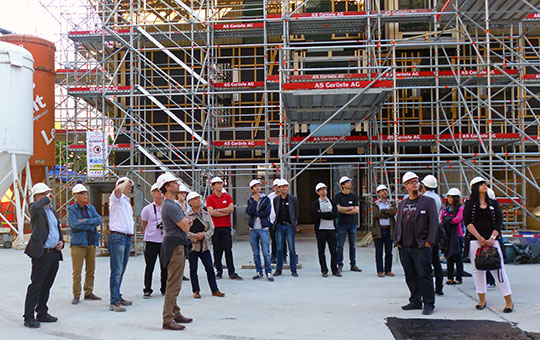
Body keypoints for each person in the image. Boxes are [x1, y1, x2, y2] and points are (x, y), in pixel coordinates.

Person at [463, 177, 513, 313]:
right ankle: (482, 299)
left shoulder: (493, 204)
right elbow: (468, 222)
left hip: (493, 240)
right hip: (475, 241)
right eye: (481, 184)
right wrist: (479, 237)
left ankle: (509, 301)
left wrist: (492, 237)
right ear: (475, 187)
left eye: (485, 184)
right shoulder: (469, 204)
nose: (485, 186)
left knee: (498, 270)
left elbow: (499, 222)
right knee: (478, 271)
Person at [395, 171, 438, 315]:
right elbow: (398, 223)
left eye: (416, 181)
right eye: (412, 182)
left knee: (424, 275)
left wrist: (429, 242)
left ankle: (429, 303)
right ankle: (415, 300)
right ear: (406, 186)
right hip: (405, 245)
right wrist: (398, 240)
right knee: (410, 275)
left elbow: (433, 223)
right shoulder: (402, 204)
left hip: (420, 246)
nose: (415, 184)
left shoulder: (428, 202)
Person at [23, 183, 64, 328]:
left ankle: (42, 312)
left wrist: (61, 242)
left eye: (49, 193)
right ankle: (28, 316)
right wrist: (45, 199)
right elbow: (35, 207)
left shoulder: (52, 211)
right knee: (36, 284)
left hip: (53, 253)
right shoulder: (35, 209)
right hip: (41, 254)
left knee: (47, 285)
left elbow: (56, 229)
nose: (49, 196)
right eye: (45, 193)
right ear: (38, 196)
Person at [157, 173, 193, 330]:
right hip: (175, 247)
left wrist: (186, 221)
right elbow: (186, 225)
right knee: (174, 284)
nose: (177, 184)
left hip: (175, 244)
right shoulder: (170, 206)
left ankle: (175, 313)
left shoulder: (173, 205)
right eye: (174, 183)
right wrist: (187, 221)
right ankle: (167, 319)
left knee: (174, 281)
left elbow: (186, 222)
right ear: (167, 187)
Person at [67, 184, 102, 305]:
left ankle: (88, 292)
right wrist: (91, 224)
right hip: (78, 244)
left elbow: (99, 220)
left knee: (91, 270)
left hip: (91, 242)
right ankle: (76, 294)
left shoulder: (90, 208)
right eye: (82, 193)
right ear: (76, 196)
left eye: (85, 193)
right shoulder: (71, 209)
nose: (85, 195)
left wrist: (85, 221)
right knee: (77, 272)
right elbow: (75, 225)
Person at [186, 191, 226, 297]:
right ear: (190, 202)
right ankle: (196, 290)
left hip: (205, 246)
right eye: (195, 199)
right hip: (193, 246)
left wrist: (204, 235)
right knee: (193, 269)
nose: (198, 201)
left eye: (198, 198)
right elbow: (185, 231)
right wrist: (195, 236)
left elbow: (212, 229)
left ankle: (214, 289)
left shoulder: (206, 214)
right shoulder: (187, 216)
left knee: (209, 268)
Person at [206, 177, 242, 280]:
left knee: (228, 250)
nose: (219, 185)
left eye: (220, 183)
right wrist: (224, 211)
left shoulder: (228, 196)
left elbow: (231, 209)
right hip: (216, 228)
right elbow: (211, 212)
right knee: (217, 250)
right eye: (217, 184)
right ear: (213, 186)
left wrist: (218, 210)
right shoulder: (210, 198)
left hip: (226, 227)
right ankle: (219, 270)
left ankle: (232, 272)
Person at [108, 176, 135, 312]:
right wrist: (125, 181)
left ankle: (117, 295)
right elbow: (118, 190)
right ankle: (114, 300)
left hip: (126, 238)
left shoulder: (125, 201)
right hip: (118, 237)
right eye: (128, 186)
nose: (129, 188)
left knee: (121, 270)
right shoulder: (116, 198)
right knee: (117, 271)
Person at [141, 183, 167, 298]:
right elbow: (143, 224)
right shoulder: (147, 209)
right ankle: (147, 289)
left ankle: (164, 288)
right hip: (151, 241)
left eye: (161, 191)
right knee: (149, 266)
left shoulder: (167, 207)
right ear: (153, 194)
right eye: (157, 191)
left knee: (165, 266)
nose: (159, 193)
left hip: (164, 241)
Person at [246, 179, 274, 281]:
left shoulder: (266, 199)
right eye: (255, 186)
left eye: (258, 186)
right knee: (255, 252)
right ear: (252, 189)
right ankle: (259, 271)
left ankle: (269, 272)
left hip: (263, 228)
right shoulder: (250, 200)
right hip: (253, 229)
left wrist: (256, 213)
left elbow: (266, 212)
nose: (258, 188)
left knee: (266, 251)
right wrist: (255, 202)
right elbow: (249, 211)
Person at [421, 175, 444, 296]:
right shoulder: (438, 198)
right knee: (436, 260)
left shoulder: (424, 198)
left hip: (426, 230)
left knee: (425, 261)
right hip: (437, 230)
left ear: (424, 186)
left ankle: (427, 288)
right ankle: (439, 287)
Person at [312, 183, 341, 278]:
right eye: (321, 189)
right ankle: (324, 270)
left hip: (331, 229)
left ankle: (335, 270)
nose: (323, 191)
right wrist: (329, 214)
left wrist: (324, 214)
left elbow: (335, 214)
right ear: (317, 192)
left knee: (334, 250)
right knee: (321, 251)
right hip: (321, 230)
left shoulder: (331, 202)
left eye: (324, 189)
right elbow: (316, 215)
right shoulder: (316, 203)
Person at [334, 176, 362, 273]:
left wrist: (344, 209)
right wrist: (350, 208)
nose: (350, 183)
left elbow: (357, 210)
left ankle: (353, 264)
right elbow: (338, 209)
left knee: (352, 245)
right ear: (343, 185)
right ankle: (340, 264)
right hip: (341, 224)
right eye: (347, 182)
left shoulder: (353, 196)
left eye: (350, 182)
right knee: (340, 245)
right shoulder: (338, 197)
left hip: (352, 224)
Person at [272, 179, 299, 277]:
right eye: (282, 187)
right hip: (279, 226)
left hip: (289, 226)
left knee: (292, 248)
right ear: (279, 188)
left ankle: (293, 270)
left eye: (286, 186)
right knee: (279, 249)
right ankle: (278, 269)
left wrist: (294, 224)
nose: (284, 189)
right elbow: (276, 211)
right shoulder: (276, 200)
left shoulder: (293, 199)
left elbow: (295, 212)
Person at [371, 184, 397, 278]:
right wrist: (387, 212)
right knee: (379, 252)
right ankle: (380, 270)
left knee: (389, 251)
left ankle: (388, 270)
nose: (384, 192)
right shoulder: (376, 204)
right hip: (379, 229)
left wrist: (383, 211)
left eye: (385, 190)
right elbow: (376, 215)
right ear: (378, 193)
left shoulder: (392, 203)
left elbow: (393, 212)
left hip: (389, 229)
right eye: (382, 191)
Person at [441, 188, 464, 285]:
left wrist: (447, 220)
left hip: (457, 235)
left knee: (458, 257)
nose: (449, 199)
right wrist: (448, 220)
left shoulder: (460, 209)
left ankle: (459, 277)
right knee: (449, 257)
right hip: (448, 235)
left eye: (451, 197)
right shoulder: (445, 209)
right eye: (448, 197)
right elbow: (441, 219)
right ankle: (450, 277)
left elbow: (457, 219)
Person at [268, 178, 287, 264]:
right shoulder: (270, 196)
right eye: (275, 186)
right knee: (274, 240)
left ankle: (283, 257)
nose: (276, 187)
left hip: (282, 221)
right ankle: (274, 256)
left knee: (282, 240)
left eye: (278, 186)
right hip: (272, 221)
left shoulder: (284, 196)